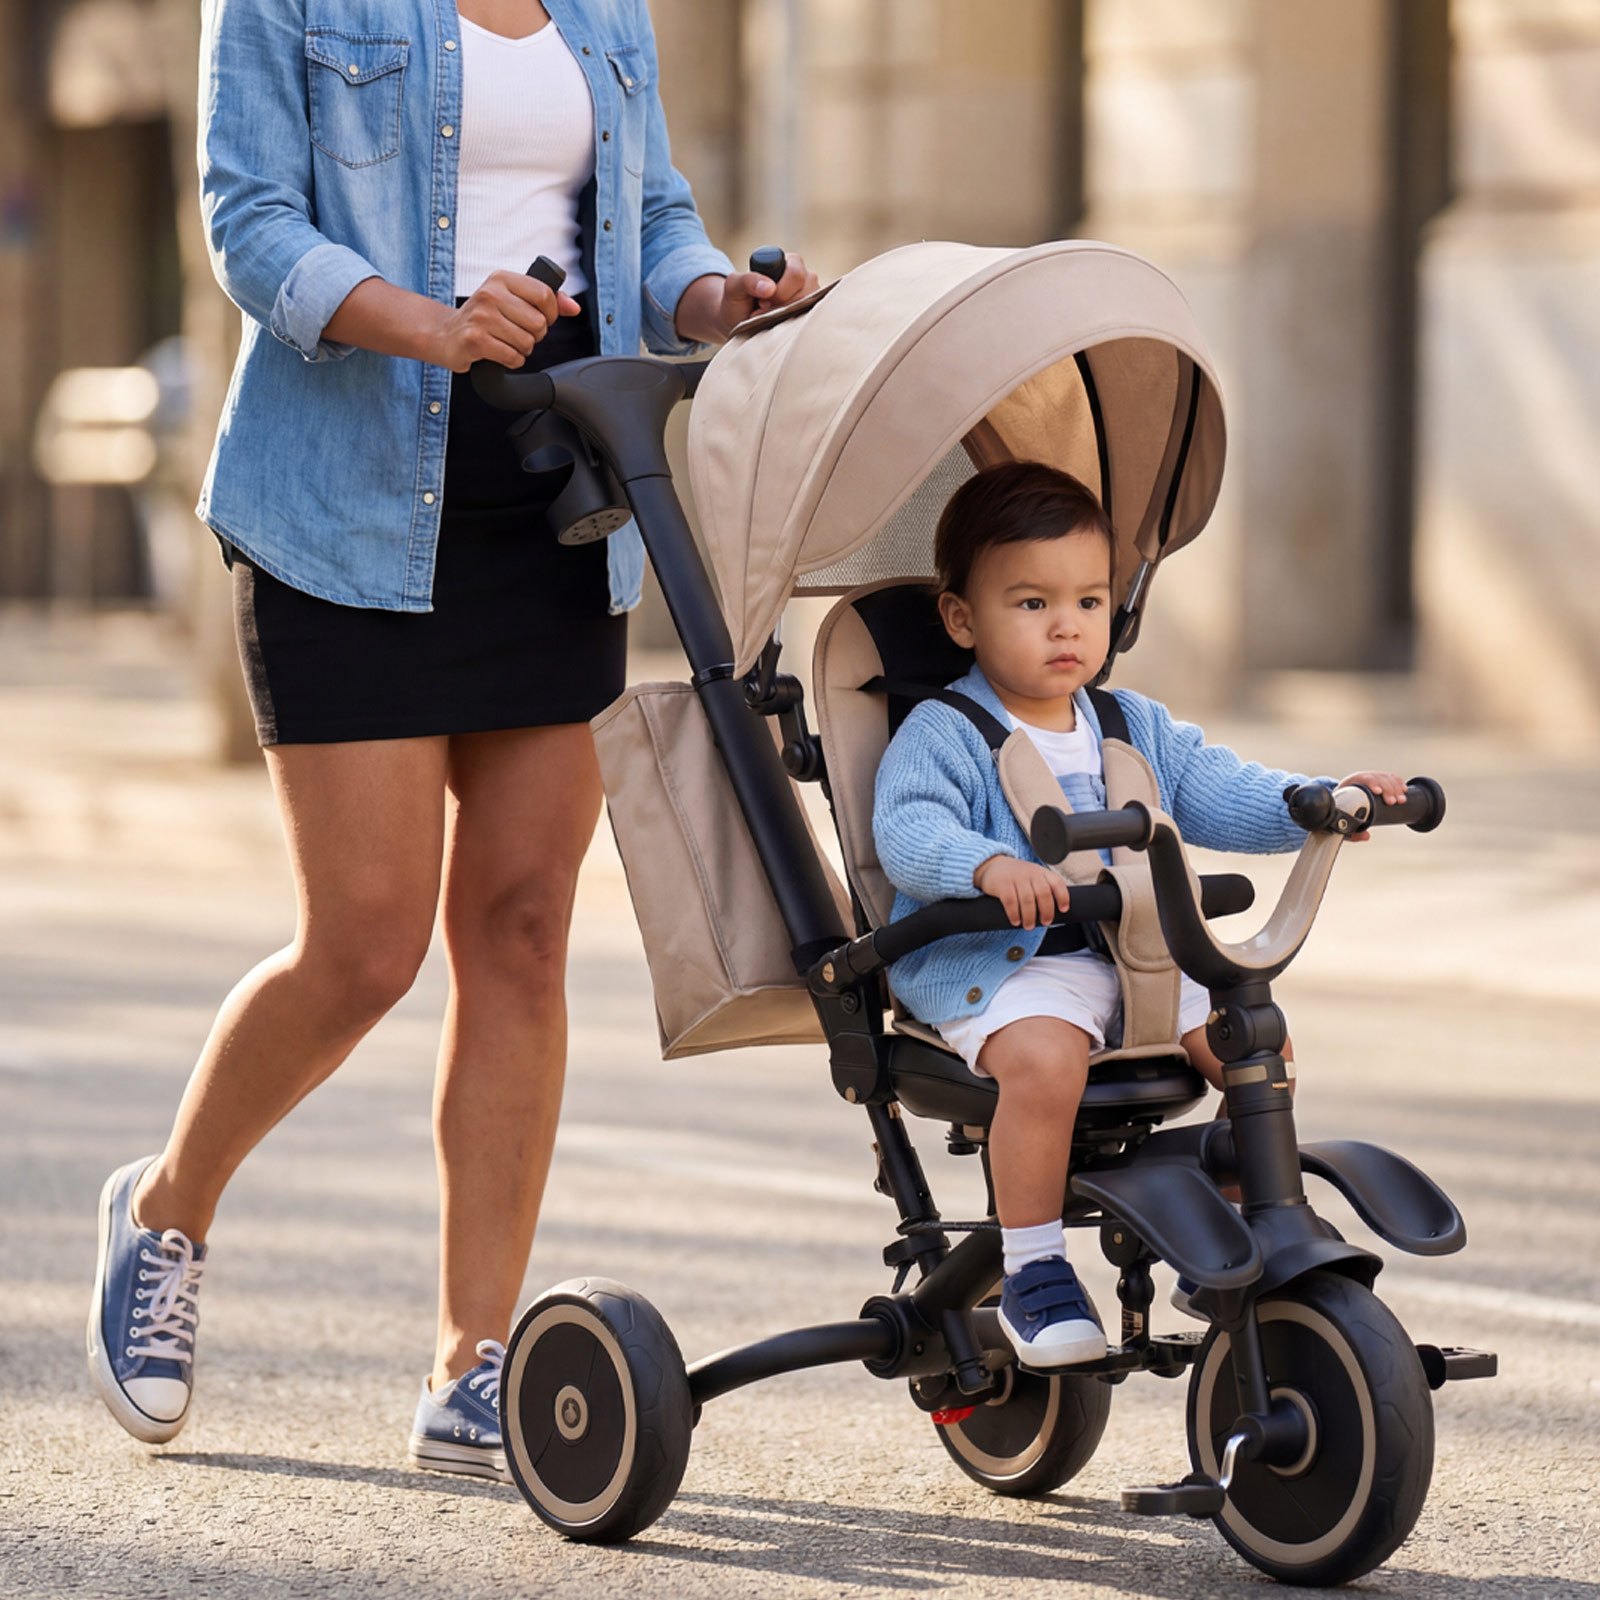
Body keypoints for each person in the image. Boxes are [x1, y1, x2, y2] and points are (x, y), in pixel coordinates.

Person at [86, 0, 816, 1482]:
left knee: (527, 930)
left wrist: (708, 302)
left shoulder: (606, 9)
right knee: (363, 944)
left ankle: (468, 1359)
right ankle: (167, 1211)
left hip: (556, 499)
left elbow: (650, 209)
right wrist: (434, 323)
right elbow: (250, 222)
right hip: (344, 503)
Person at [872, 462, 1405, 1369]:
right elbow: (907, 828)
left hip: (1135, 960)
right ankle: (1035, 1269)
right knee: (1045, 1061)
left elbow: (1219, 787)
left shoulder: (1127, 722)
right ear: (963, 619)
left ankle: (1247, 1231)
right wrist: (988, 864)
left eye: (1088, 599)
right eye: (1032, 603)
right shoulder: (946, 730)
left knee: (1252, 1043)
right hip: (1002, 966)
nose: (1067, 624)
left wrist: (1319, 799)